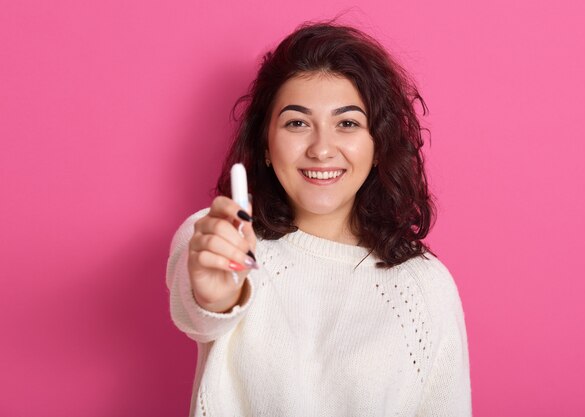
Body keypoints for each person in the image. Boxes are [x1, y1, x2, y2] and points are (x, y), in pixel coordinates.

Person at [166, 21, 471, 416]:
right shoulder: (221, 237)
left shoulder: (425, 287)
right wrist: (217, 297)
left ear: (378, 145)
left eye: (347, 123)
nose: (322, 149)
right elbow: (203, 312)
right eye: (297, 123)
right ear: (265, 145)